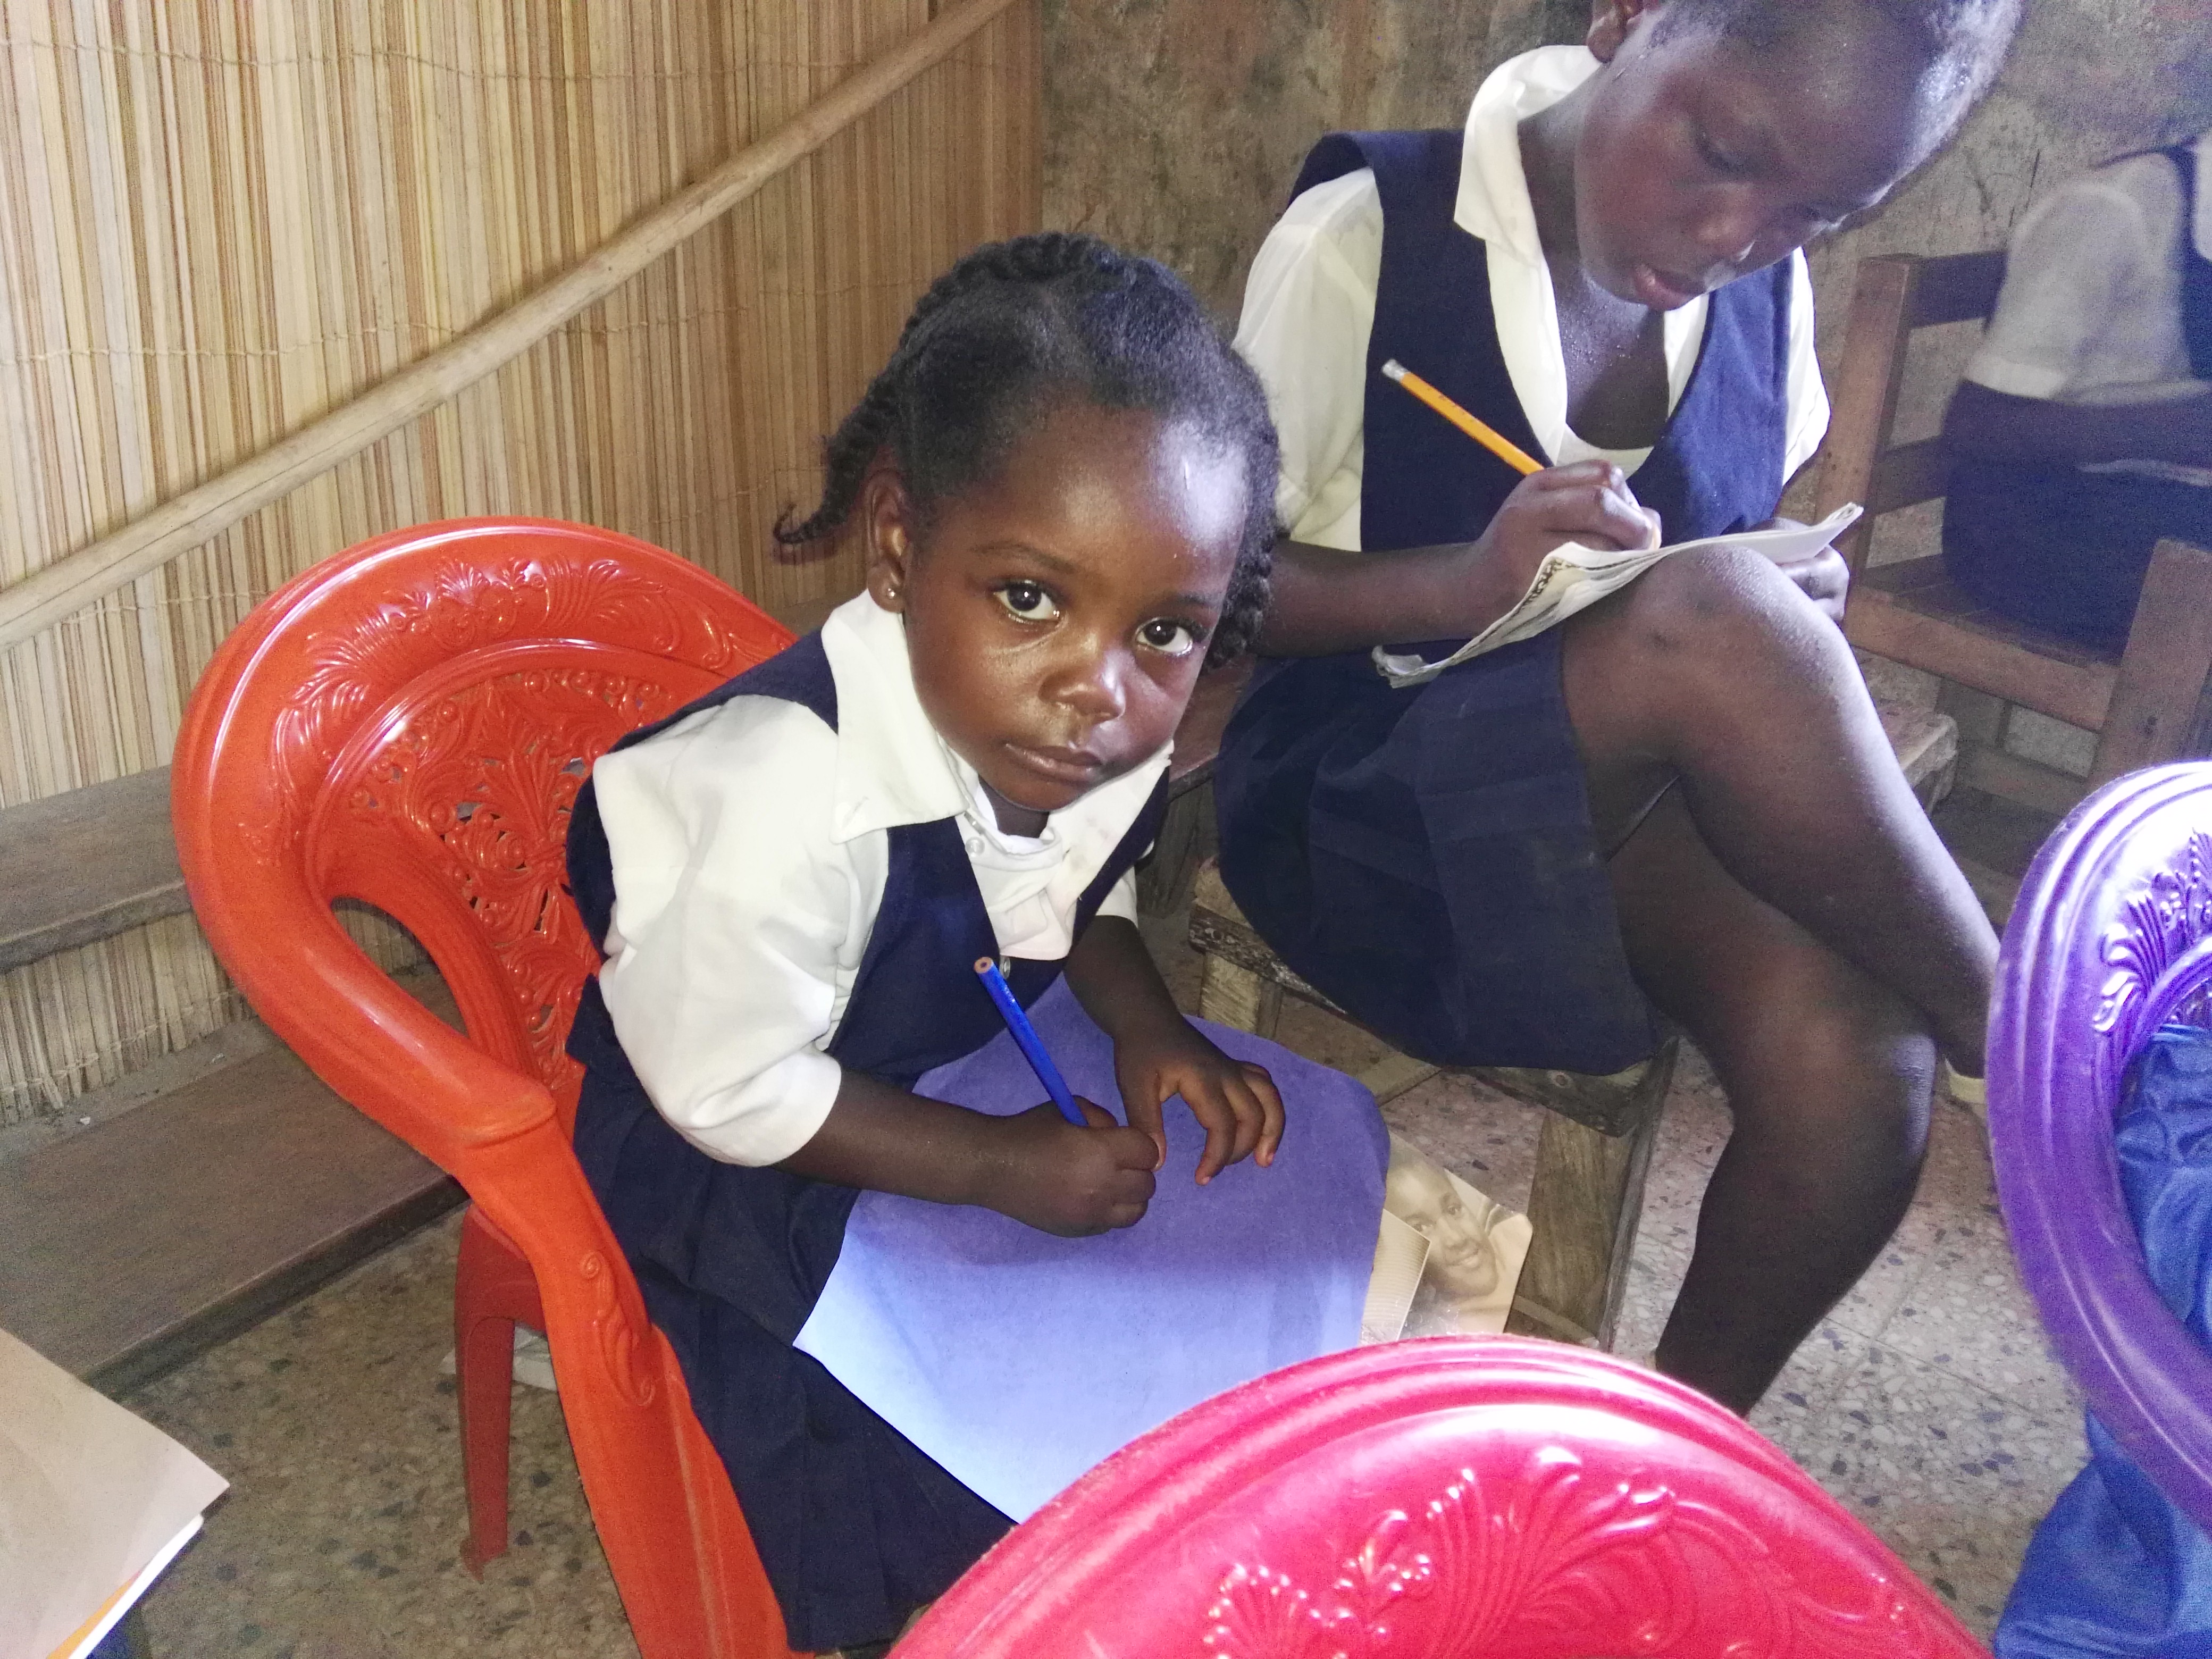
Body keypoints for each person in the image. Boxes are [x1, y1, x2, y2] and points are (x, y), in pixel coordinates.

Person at [562, 233, 1389, 1655]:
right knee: (912, 1456)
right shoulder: (782, 802)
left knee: (1280, 1174)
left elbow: (1073, 903)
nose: (1096, 688)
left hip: (945, 1025)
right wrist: (997, 1168)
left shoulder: (1102, 721)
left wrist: (1148, 1028)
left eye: (1168, 630)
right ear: (897, 546)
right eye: (1030, 598)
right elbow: (733, 1090)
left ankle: (1197, 1493)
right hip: (744, 1126)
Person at [1218, 0, 2019, 1415]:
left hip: (1597, 819)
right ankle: (2022, 1041)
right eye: (1718, 151)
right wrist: (1466, 582)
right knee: (1722, 626)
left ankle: (1667, 1468)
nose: (1739, 236)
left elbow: (1726, 552)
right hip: (1361, 824)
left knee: (1860, 1072)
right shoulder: (1371, 231)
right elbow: (1213, 598)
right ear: (1630, 14)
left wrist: (1788, 601)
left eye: (1814, 216)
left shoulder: (1759, 289)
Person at [1943, 128, 2212, 650]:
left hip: (2174, 524)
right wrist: (2183, 430)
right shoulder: (2116, 208)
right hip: (2038, 533)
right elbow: (1975, 425)